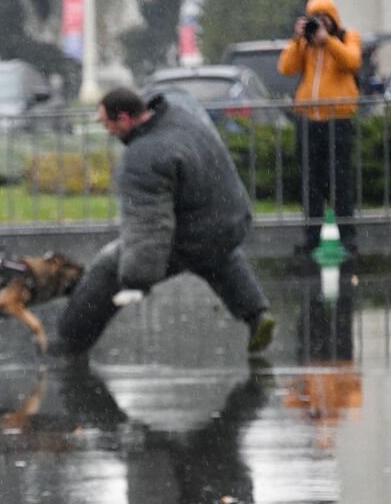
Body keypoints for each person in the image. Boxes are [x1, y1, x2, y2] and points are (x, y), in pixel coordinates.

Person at [50, 88, 276, 357]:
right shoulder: (180, 115)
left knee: (108, 267)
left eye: (106, 123)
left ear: (123, 119)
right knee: (218, 256)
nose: (106, 130)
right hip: (232, 218)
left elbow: (149, 228)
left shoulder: (143, 157)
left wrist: (136, 280)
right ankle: (257, 315)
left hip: (197, 229)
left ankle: (67, 343)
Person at [278, 0, 363, 253]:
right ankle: (312, 236)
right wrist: (297, 39)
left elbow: (353, 61)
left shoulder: (348, 38)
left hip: (338, 120)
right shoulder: (305, 45)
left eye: (325, 19)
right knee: (311, 181)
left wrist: (329, 42)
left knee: (340, 179)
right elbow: (286, 68)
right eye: (316, 19)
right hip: (309, 121)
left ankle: (347, 236)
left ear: (334, 19)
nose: (320, 24)